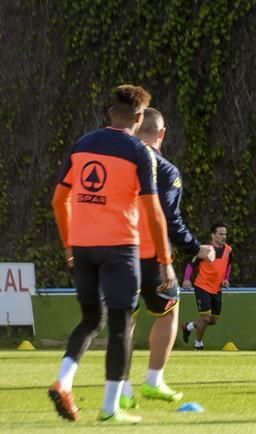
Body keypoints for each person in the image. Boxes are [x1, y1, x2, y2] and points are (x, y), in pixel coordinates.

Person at [49, 85, 177, 424]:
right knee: (120, 327)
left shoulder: (82, 145)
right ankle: (110, 408)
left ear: (109, 112)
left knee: (91, 319)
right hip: (120, 248)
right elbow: (153, 212)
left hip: (82, 246)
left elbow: (58, 201)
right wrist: (165, 261)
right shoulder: (140, 153)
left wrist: (68, 245)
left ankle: (63, 381)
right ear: (138, 118)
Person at [119, 108, 216, 410]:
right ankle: (154, 381)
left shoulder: (119, 163)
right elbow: (170, 220)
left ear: (135, 129)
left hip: (118, 254)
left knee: (125, 321)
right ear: (162, 133)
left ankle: (121, 388)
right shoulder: (165, 170)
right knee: (169, 312)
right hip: (152, 257)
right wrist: (196, 248)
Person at [181, 223, 232, 350]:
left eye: (225, 234)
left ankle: (189, 327)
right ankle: (198, 344)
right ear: (213, 235)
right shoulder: (205, 249)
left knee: (213, 320)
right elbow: (191, 264)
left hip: (217, 289)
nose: (223, 236)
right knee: (205, 317)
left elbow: (229, 265)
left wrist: (226, 279)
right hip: (202, 286)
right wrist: (187, 279)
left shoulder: (228, 250)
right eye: (220, 234)